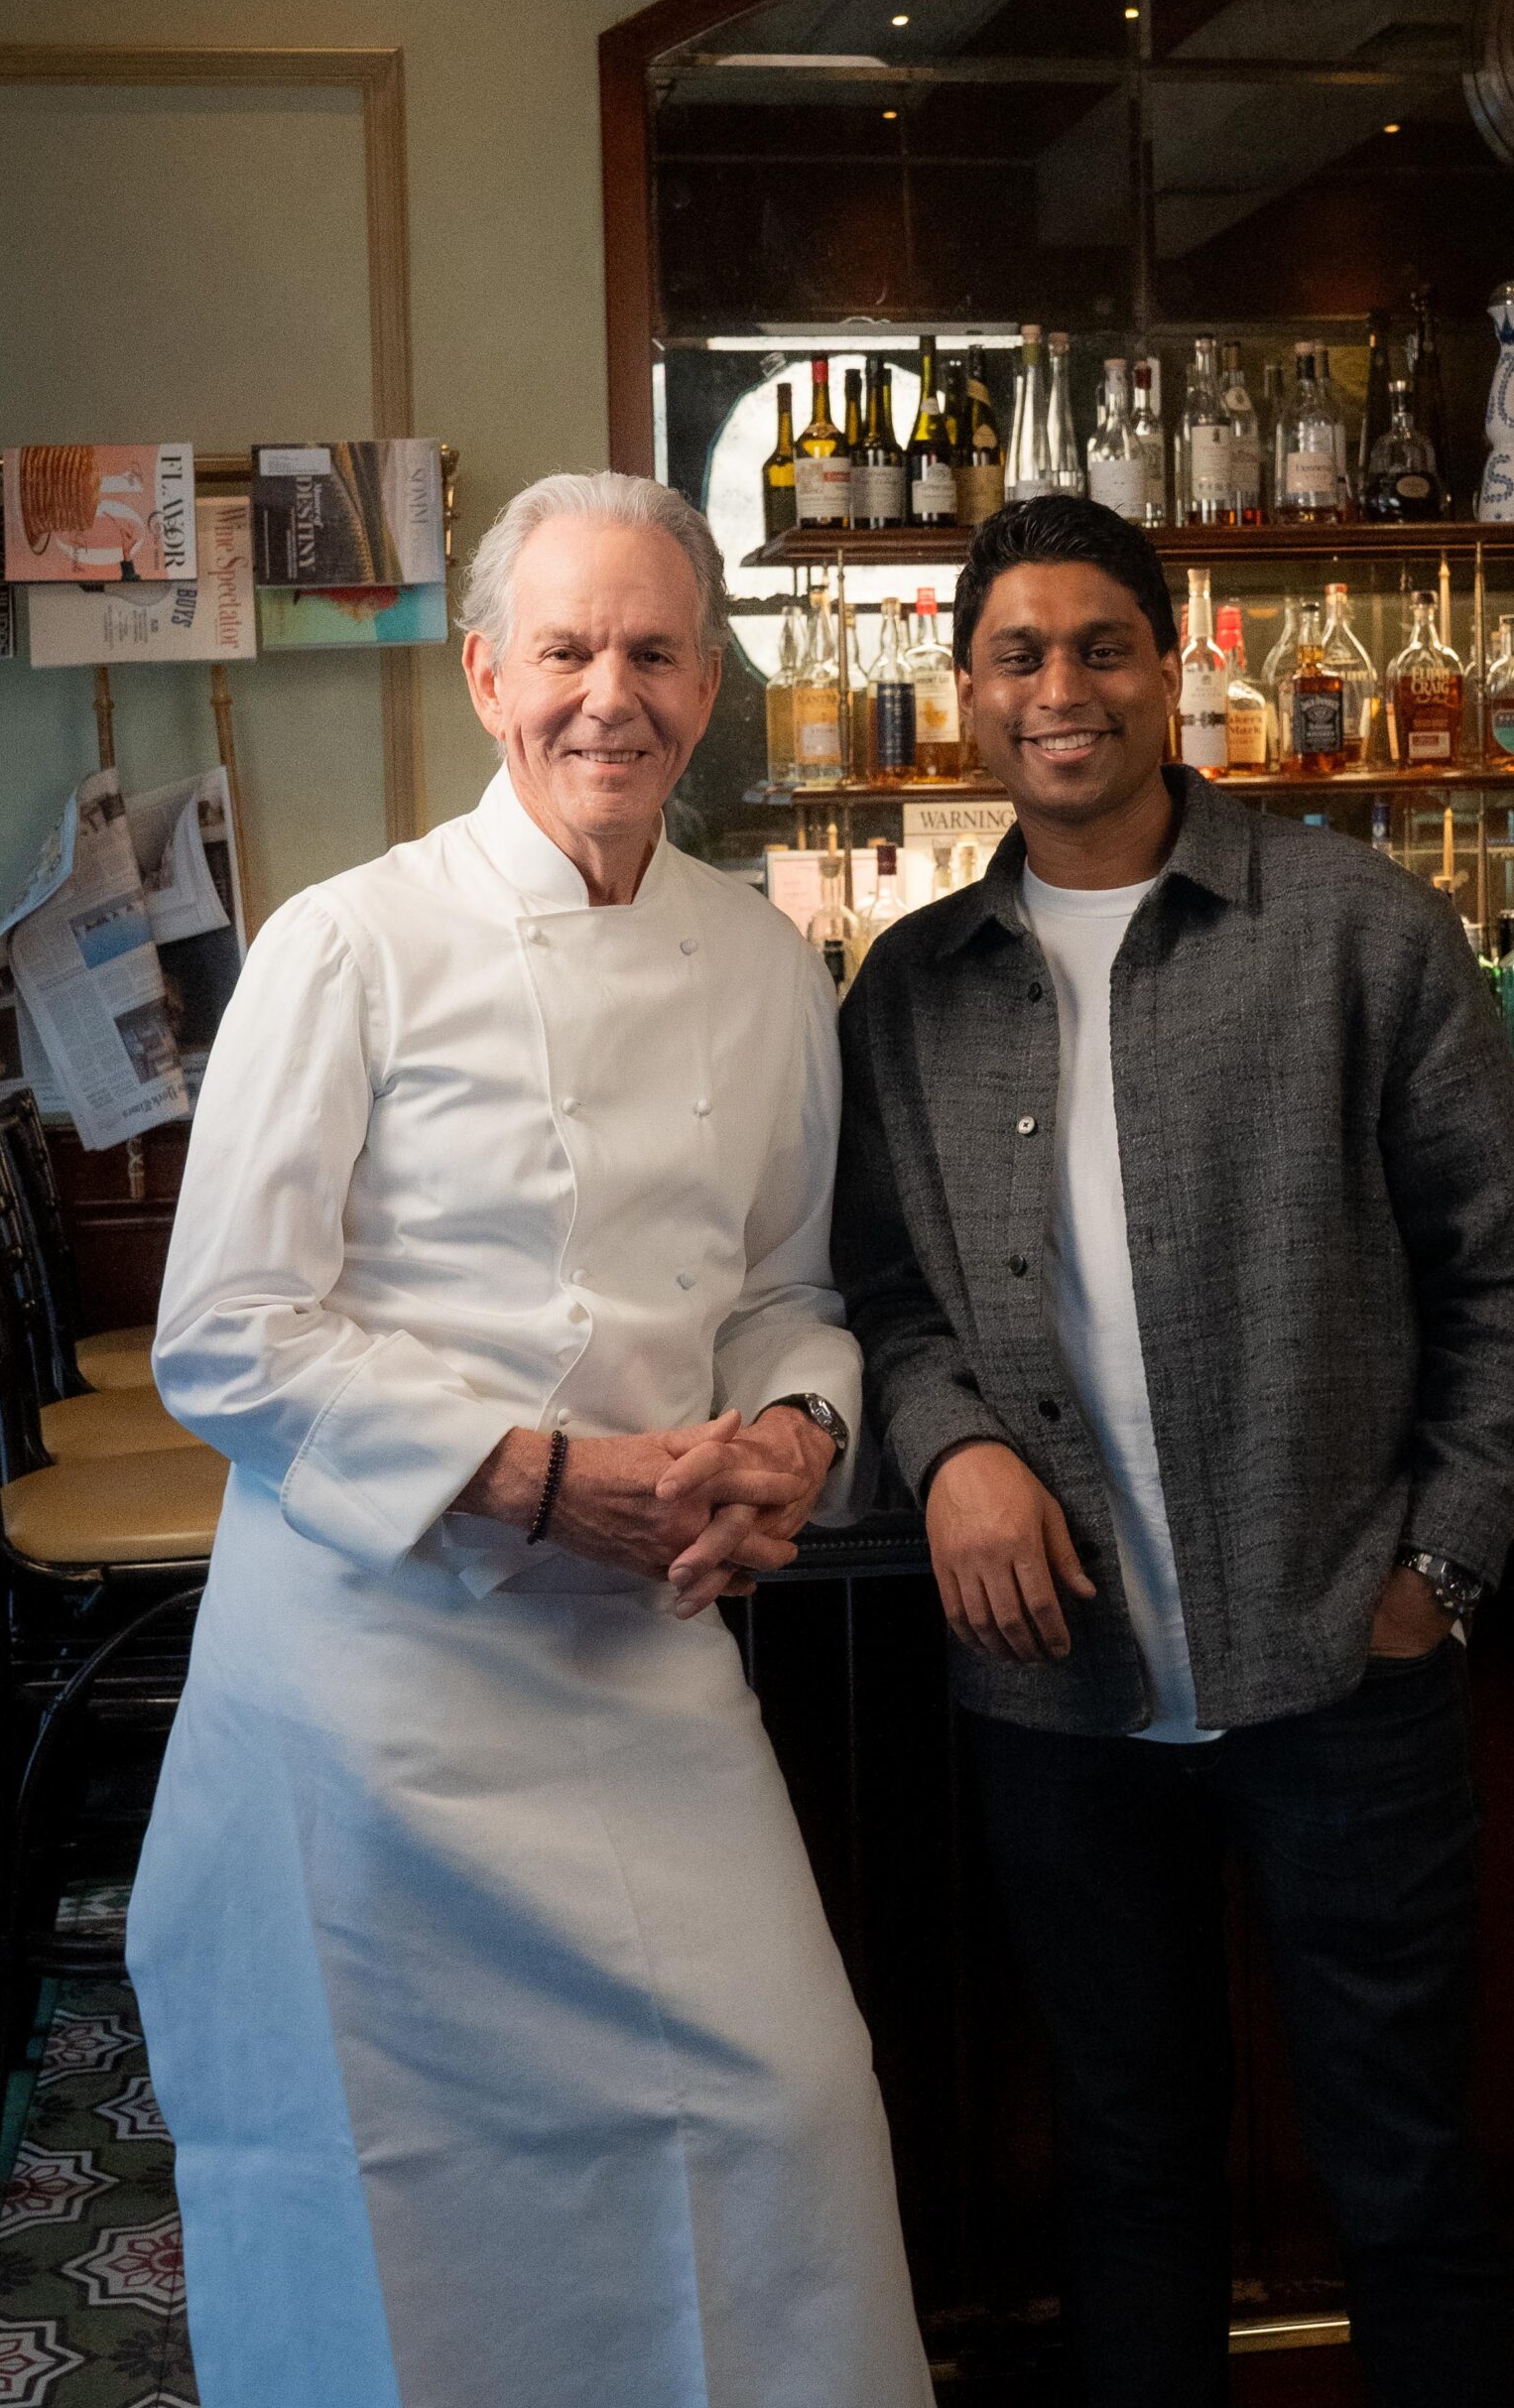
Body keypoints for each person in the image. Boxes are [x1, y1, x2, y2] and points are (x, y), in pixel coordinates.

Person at [129, 471, 934, 2408]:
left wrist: (794, 1435)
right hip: (373, 1688)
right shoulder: (349, 944)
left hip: (640, 1663)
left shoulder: (759, 961)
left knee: (779, 2107)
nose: (609, 694)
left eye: (652, 651)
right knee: (394, 2192)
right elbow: (224, 1332)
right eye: (565, 649)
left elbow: (776, 1287)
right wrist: (535, 1472)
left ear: (711, 682)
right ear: (489, 674)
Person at [831, 494, 1514, 2408]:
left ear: (1175, 670)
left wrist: (1441, 1575)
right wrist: (946, 1455)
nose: (1059, 691)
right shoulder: (908, 995)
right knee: (1130, 2174)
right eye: (1018, 655)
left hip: (1346, 1664)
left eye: (1101, 647)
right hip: (1056, 1694)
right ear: (967, 694)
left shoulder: (1358, 934)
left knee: (1406, 2179)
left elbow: (1511, 1276)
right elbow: (883, 1300)